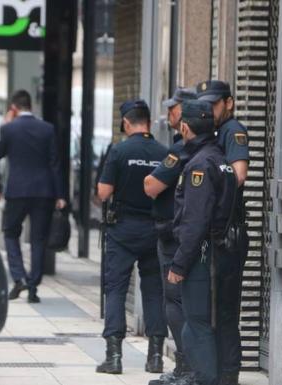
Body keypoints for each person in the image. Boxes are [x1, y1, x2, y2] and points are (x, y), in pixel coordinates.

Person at [167, 100, 241, 385]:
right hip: (221, 251)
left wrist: (180, 263)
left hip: (202, 254)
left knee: (196, 323)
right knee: (217, 320)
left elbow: (195, 220)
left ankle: (205, 378)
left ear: (185, 127)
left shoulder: (199, 165)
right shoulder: (221, 159)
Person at [96, 100, 168, 375]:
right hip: (154, 230)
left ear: (126, 123)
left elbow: (103, 193)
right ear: (148, 122)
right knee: (153, 291)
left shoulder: (119, 150)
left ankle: (113, 358)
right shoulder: (164, 153)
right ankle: (156, 357)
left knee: (115, 289)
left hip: (123, 230)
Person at [196, 80, 249, 385]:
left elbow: (239, 175)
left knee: (226, 308)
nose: (209, 110)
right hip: (219, 229)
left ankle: (228, 374)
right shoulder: (216, 132)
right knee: (214, 306)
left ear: (228, 103)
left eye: (214, 104)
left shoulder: (233, 130)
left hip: (229, 231)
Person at [0, 90, 67, 304]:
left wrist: (4, 127)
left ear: (14, 108)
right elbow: (55, 162)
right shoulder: (47, 129)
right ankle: (33, 287)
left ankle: (18, 277)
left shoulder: (9, 129)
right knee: (38, 239)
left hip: (17, 190)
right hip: (44, 191)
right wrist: (60, 194)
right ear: (30, 105)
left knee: (10, 232)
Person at [143, 87, 196, 385]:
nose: (168, 114)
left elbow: (151, 186)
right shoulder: (206, 148)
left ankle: (185, 367)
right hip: (191, 234)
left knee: (175, 301)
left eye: (173, 109)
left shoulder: (181, 150)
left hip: (174, 235)